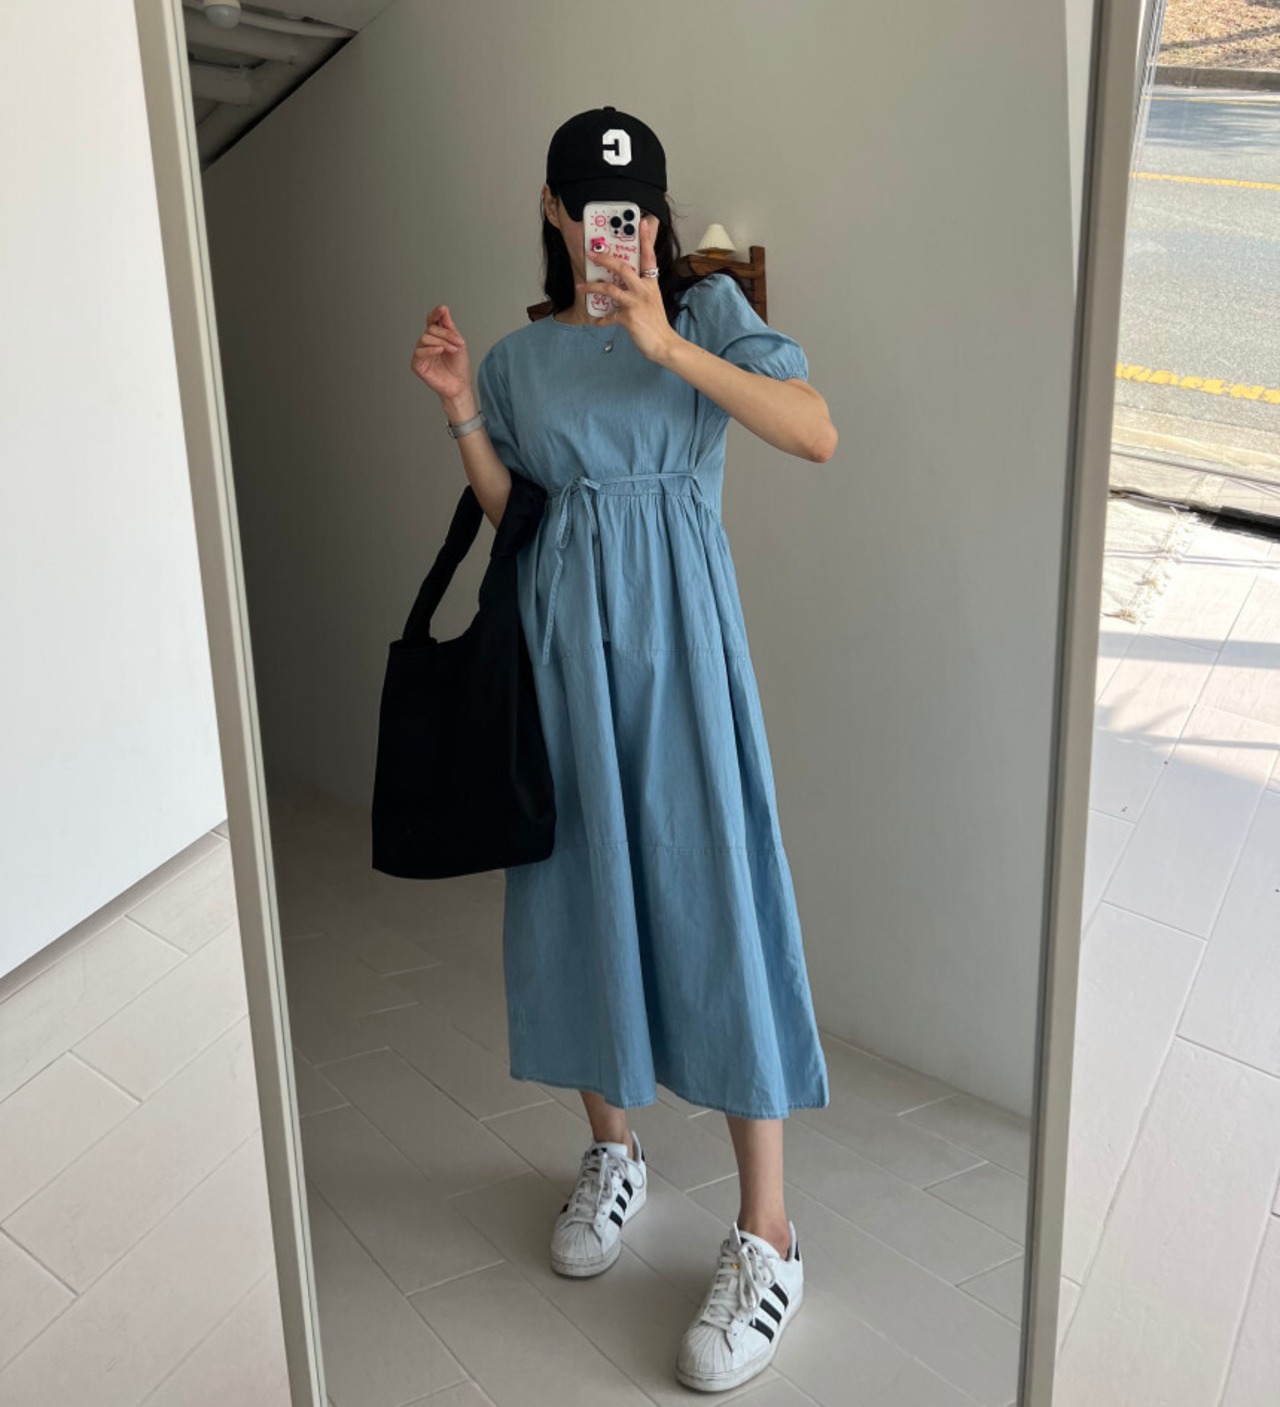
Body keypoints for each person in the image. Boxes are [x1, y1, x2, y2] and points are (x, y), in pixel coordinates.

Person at [410, 105, 837, 1394]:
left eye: (639, 208)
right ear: (555, 210)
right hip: (563, 669)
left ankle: (768, 1232)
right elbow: (520, 517)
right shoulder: (517, 359)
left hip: (684, 661)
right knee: (578, 894)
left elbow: (813, 428)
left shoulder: (703, 313)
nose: (622, 227)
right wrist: (460, 411)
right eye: (598, 208)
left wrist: (664, 341)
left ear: (653, 213)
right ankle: (617, 1152)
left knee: (718, 903)